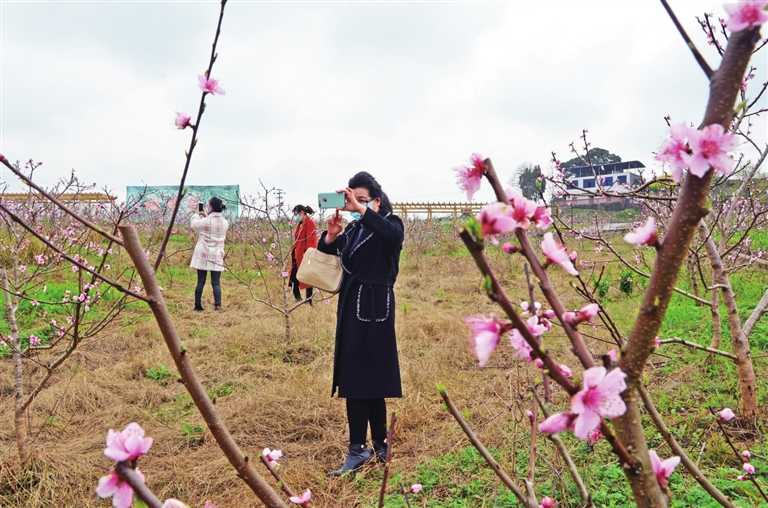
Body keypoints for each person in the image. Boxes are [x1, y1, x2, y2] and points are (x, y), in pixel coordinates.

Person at [317, 172, 404, 476]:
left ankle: (376, 445)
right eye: (351, 199)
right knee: (355, 378)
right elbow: (333, 251)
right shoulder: (354, 229)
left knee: (373, 378)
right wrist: (330, 235)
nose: (354, 205)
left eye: (362, 200)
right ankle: (360, 448)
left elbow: (391, 238)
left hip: (377, 309)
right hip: (352, 309)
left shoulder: (391, 223)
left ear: (377, 201)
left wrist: (364, 211)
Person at [190, 197, 229, 311]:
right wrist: (206, 215)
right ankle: (218, 305)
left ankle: (198, 306)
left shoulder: (205, 221)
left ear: (211, 207)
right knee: (216, 282)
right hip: (217, 254)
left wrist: (197, 214)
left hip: (203, 254)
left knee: (200, 281)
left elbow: (194, 225)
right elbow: (212, 225)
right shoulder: (225, 222)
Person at [289, 205, 318, 304]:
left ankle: (308, 301)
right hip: (297, 255)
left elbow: (311, 241)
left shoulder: (309, 223)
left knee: (307, 278)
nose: (295, 216)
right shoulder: (301, 223)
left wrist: (308, 256)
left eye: (296, 214)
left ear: (302, 212)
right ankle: (299, 299)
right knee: (294, 277)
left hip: (305, 256)